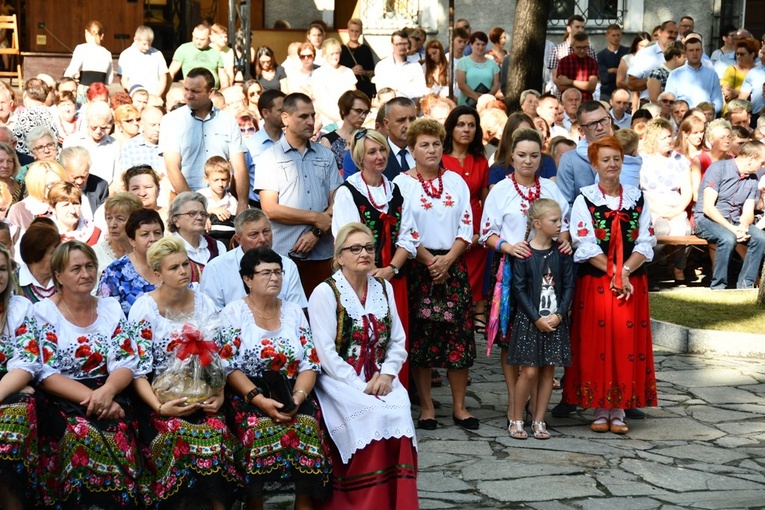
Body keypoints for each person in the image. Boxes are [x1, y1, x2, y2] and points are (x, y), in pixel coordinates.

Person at [305, 228, 419, 509]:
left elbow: (397, 340)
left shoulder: (383, 287)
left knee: (400, 409)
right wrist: (359, 385)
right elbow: (326, 353)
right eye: (355, 249)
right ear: (340, 257)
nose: (364, 253)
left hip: (381, 376)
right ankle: (361, 500)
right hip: (338, 379)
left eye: (369, 247)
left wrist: (389, 374)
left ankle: (398, 500)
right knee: (371, 411)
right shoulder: (325, 292)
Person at [128, 237, 241, 508]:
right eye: (174, 268)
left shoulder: (204, 302)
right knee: (176, 435)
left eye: (185, 264)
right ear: (157, 275)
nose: (183, 271)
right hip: (160, 397)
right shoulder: (144, 309)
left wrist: (220, 395)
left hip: (205, 391)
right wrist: (160, 407)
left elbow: (222, 355)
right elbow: (137, 372)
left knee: (215, 434)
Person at [222, 246, 331, 508]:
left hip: (293, 388)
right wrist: (259, 401)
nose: (274, 278)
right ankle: (254, 503)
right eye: (266, 273)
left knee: (306, 425)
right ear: (248, 279)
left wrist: (297, 397)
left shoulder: (293, 312)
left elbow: (310, 363)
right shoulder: (234, 313)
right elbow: (228, 366)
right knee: (256, 430)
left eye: (278, 272)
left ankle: (303, 503)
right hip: (250, 392)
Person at [34, 241, 142, 507]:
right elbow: (45, 372)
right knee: (81, 436)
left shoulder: (110, 308)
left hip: (111, 393)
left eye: (90, 266)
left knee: (119, 438)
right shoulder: (44, 312)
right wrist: (96, 398)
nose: (86, 274)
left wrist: (107, 392)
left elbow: (127, 359)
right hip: (63, 396)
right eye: (76, 268)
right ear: (58, 275)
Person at [563, 136, 658, 435]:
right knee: (597, 343)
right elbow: (585, 244)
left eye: (616, 158)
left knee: (625, 344)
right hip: (597, 283)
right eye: (605, 159)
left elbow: (646, 240)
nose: (612, 164)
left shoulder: (637, 198)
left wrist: (627, 271)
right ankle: (599, 407)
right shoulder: (584, 198)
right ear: (594, 164)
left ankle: (619, 409)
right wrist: (617, 274)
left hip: (631, 282)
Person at [480, 128, 570, 426]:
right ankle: (514, 398)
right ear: (511, 156)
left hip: (547, 273)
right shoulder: (501, 191)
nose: (528, 161)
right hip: (511, 271)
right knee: (512, 337)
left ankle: (534, 403)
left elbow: (564, 222)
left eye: (534, 155)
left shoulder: (550, 188)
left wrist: (566, 239)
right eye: (521, 155)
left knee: (541, 332)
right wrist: (507, 246)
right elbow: (485, 233)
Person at [392, 118, 476, 430]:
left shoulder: (456, 181)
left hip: (453, 266)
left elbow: (466, 224)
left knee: (459, 337)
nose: (431, 150)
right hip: (419, 266)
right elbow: (404, 229)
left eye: (436, 144)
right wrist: (430, 261)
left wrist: (449, 259)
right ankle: (427, 407)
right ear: (411, 150)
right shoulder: (401, 185)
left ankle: (459, 406)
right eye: (424, 145)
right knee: (423, 339)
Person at [255, 92, 343, 297]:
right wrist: (316, 218)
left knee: (323, 316)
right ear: (285, 118)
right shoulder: (269, 158)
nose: (311, 121)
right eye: (303, 116)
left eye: (312, 116)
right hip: (284, 254)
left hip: (323, 253)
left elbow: (337, 200)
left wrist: (316, 232)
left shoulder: (325, 155)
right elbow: (270, 209)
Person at [506, 199, 574, 440]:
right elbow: (519, 289)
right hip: (530, 321)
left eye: (560, 220)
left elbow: (568, 286)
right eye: (554, 220)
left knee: (548, 372)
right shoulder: (524, 253)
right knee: (530, 372)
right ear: (537, 223)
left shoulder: (563, 252)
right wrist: (536, 318)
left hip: (555, 321)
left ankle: (538, 420)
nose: (560, 224)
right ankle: (515, 417)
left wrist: (559, 314)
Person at [160, 68, 248, 214]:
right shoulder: (171, 120)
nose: (188, 95)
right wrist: (196, 207)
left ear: (211, 92)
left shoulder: (228, 121)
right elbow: (172, 167)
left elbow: (239, 167)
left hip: (224, 203)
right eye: (186, 89)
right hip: (185, 201)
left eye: (195, 91)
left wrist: (243, 203)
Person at [441, 106, 490, 332]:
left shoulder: (480, 160)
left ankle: (475, 314)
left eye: (471, 125)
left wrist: (485, 229)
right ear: (451, 128)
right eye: (461, 124)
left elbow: (485, 198)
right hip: (449, 221)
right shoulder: (440, 158)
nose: (466, 129)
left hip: (476, 222)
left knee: (476, 271)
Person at [200, 209, 306, 311]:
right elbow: (211, 313)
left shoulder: (288, 265)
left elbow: (297, 309)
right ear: (238, 239)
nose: (263, 239)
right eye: (254, 235)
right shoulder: (216, 267)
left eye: (266, 232)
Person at [694, 141, 765, 289]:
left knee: (760, 238)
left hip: (734, 221)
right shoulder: (718, 169)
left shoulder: (752, 179)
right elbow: (708, 208)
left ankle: (746, 285)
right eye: (762, 162)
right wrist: (732, 229)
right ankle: (718, 287)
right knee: (727, 238)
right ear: (751, 158)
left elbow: (747, 211)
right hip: (707, 220)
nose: (762, 166)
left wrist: (743, 227)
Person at [0, 245, 39, 509]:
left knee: (9, 431)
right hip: (11, 385)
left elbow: (26, 363)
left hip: (8, 390)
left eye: (2, 269)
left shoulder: (20, 307)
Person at [98, 208, 172, 315]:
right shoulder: (114, 272)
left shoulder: (174, 264)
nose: (153, 239)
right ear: (132, 240)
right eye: (145, 234)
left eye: (157, 233)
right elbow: (105, 315)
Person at [556, 101, 613, 206]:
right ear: (581, 131)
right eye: (592, 124)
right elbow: (564, 204)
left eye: (603, 120)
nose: (600, 127)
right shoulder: (570, 160)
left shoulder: (625, 154)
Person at [62, 101, 120, 187]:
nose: (98, 131)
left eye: (103, 127)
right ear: (87, 121)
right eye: (94, 127)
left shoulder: (114, 144)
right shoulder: (72, 141)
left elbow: (117, 179)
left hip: (106, 193)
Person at [665, 36, 723, 113]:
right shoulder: (675, 74)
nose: (694, 53)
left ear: (702, 52)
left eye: (697, 50)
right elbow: (670, 99)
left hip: (706, 117)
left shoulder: (712, 74)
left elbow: (718, 101)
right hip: (683, 117)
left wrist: (707, 112)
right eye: (691, 50)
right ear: (685, 53)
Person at [167, 191, 225, 268]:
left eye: (203, 214)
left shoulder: (217, 247)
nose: (200, 217)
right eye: (192, 213)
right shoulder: (167, 249)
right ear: (176, 220)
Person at [92, 193, 142, 279]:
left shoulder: (146, 251)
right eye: (109, 218)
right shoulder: (94, 254)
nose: (112, 225)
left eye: (120, 219)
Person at [627, 21, 678, 103]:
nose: (673, 36)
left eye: (676, 33)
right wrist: (655, 80)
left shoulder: (681, 55)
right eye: (670, 32)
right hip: (650, 106)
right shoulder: (645, 54)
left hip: (674, 106)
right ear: (660, 32)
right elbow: (631, 84)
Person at [8, 159, 66, 231]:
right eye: (51, 184)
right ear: (37, 185)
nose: (57, 188)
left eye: (60, 184)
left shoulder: (71, 203)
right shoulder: (19, 210)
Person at [320, 90, 370, 171]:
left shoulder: (368, 136)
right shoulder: (328, 140)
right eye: (358, 111)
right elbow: (325, 172)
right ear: (344, 110)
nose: (363, 116)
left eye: (366, 112)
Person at [63, 21, 113, 101]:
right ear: (102, 35)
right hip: (101, 91)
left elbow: (71, 71)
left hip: (85, 91)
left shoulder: (81, 49)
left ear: (86, 32)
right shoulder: (107, 53)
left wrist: (64, 82)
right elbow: (109, 80)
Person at [312, 38, 358, 126]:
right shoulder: (318, 74)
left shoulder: (348, 72)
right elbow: (317, 101)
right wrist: (337, 118)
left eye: (337, 53)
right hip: (326, 121)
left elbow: (354, 96)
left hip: (347, 118)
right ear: (324, 54)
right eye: (331, 54)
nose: (335, 56)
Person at [168, 24, 228, 89]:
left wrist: (223, 91)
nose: (198, 42)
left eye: (202, 39)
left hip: (212, 93)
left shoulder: (215, 52)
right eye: (196, 38)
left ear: (209, 37)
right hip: (190, 91)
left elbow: (223, 77)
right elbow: (171, 72)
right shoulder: (184, 49)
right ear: (192, 34)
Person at [374, 30, 428, 101]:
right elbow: (382, 93)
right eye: (398, 44)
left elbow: (421, 91)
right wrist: (408, 86)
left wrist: (397, 88)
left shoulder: (415, 66)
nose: (402, 47)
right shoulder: (382, 66)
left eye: (404, 43)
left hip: (410, 107)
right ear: (392, 45)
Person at [60, 146, 109, 223]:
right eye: (74, 177)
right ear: (63, 171)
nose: (79, 182)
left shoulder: (100, 186)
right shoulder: (57, 188)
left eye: (83, 176)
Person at [117, 25, 169, 97]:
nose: (147, 47)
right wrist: (133, 94)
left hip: (153, 95)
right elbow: (123, 80)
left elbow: (163, 78)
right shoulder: (126, 55)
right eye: (144, 44)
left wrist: (157, 96)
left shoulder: (157, 54)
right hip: (134, 96)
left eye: (149, 44)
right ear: (135, 39)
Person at [16, 221, 61, 302]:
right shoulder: (11, 284)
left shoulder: (66, 278)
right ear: (36, 255)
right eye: (54, 253)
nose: (61, 256)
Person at [690, 119, 732, 202]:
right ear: (711, 139)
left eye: (729, 137)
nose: (727, 141)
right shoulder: (700, 160)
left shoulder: (732, 160)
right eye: (722, 137)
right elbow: (695, 194)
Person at [456, 31, 500, 107]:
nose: (480, 47)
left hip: (486, 105)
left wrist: (486, 98)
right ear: (471, 45)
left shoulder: (493, 64)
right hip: (466, 105)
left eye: (483, 44)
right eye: (478, 44)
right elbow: (461, 84)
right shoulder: (463, 62)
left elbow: (496, 84)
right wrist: (477, 98)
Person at [555, 32, 599, 102]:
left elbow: (591, 87)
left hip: (586, 103)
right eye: (579, 48)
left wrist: (569, 82)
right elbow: (561, 86)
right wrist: (584, 85)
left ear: (588, 46)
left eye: (585, 47)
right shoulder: (564, 62)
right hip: (568, 103)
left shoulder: (592, 62)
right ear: (572, 46)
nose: (582, 50)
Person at [340, 18, 376, 99]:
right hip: (347, 88)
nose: (354, 33)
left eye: (357, 31)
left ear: (360, 32)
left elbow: (373, 71)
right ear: (348, 31)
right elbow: (338, 71)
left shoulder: (366, 49)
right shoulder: (341, 49)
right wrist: (351, 71)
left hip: (364, 89)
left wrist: (363, 72)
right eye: (352, 30)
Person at [616, 32, 652, 113]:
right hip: (629, 101)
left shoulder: (653, 60)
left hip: (647, 101)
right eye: (642, 46)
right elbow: (619, 82)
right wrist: (638, 84)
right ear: (636, 45)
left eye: (647, 46)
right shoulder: (627, 58)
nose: (644, 49)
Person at [721, 38, 759, 110]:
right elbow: (727, 93)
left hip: (754, 110)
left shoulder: (759, 71)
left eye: (742, 54)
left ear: (752, 55)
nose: (738, 56)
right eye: (737, 54)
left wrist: (736, 92)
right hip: (733, 110)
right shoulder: (732, 70)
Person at [598, 24, 629, 102]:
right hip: (607, 93)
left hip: (625, 91)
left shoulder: (627, 52)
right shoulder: (601, 55)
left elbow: (629, 73)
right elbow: (604, 77)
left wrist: (612, 70)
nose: (616, 38)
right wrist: (621, 72)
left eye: (618, 35)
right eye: (613, 35)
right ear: (607, 36)